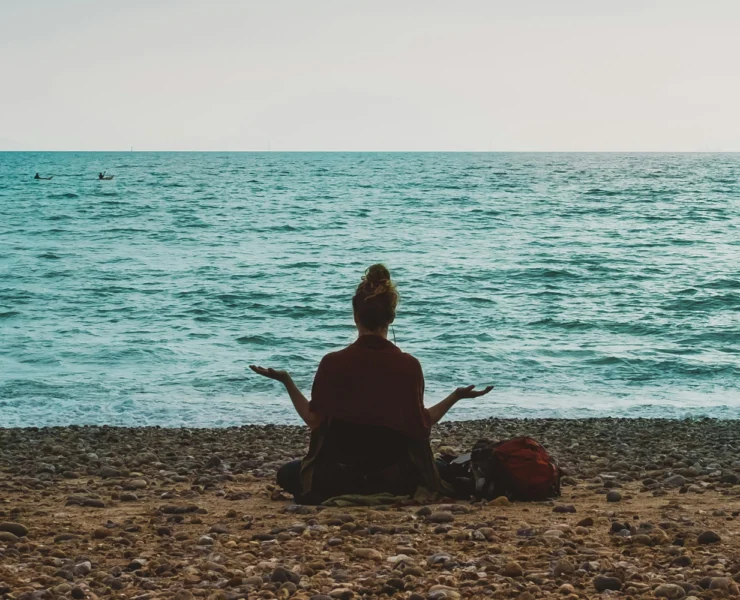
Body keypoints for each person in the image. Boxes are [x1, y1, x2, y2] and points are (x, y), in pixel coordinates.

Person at [250, 264, 493, 504]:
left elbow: (314, 421)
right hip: (395, 478)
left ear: (355, 315)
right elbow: (421, 426)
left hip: (339, 476)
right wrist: (455, 396)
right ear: (392, 317)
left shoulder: (333, 363)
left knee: (288, 474)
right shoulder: (408, 365)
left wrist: (287, 381)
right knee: (443, 467)